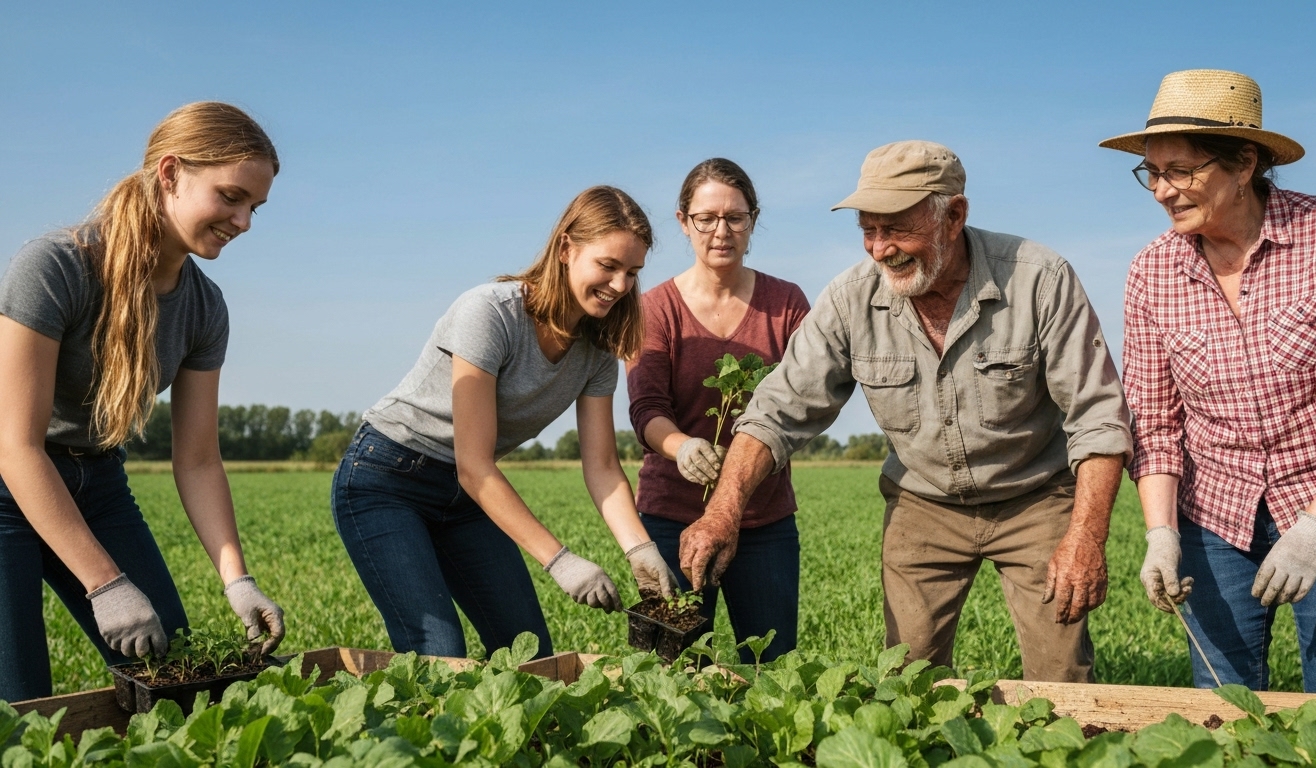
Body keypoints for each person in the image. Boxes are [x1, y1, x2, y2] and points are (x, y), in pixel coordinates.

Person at [678, 141, 1133, 681]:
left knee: (1062, 675)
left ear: (954, 216)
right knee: (908, 678)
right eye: (868, 230)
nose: (879, 248)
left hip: (1036, 497)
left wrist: (1085, 536)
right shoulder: (851, 299)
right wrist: (723, 510)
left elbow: (1098, 416)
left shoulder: (1039, 279)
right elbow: (777, 409)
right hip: (924, 501)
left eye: (895, 229)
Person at [1104, 69, 1316, 694]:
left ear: (1244, 164)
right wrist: (1161, 535)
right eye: (1152, 172)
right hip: (1214, 518)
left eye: (1181, 171)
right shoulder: (1151, 272)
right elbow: (1157, 424)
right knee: (1221, 711)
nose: (1162, 190)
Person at [0, 102, 286, 702]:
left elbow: (199, 460)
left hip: (99, 481)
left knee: (179, 683)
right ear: (171, 174)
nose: (244, 222)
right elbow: (16, 445)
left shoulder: (205, 309)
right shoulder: (55, 267)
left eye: (254, 207)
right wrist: (105, 584)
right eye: (231, 197)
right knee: (18, 705)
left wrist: (238, 580)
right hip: (9, 483)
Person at [333, 186, 678, 660]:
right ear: (565, 249)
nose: (620, 285)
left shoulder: (597, 352)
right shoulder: (490, 312)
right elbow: (474, 464)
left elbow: (601, 466)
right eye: (608, 266)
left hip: (464, 497)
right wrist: (560, 561)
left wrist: (640, 549)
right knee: (438, 653)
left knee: (528, 652)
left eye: (632, 272)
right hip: (388, 479)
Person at [627, 159, 810, 663]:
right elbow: (646, 408)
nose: (721, 231)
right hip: (670, 516)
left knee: (773, 668)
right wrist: (682, 446)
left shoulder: (787, 303)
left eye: (735, 217)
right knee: (675, 671)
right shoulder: (655, 308)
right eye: (706, 218)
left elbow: (803, 402)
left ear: (754, 220)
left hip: (764, 518)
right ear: (684, 222)